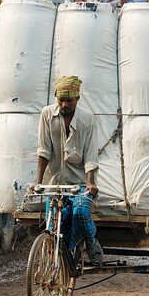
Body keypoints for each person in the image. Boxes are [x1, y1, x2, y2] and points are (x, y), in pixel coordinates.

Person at [34, 75, 104, 265]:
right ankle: (53, 258)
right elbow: (43, 150)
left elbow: (91, 155)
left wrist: (90, 182)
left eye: (69, 101)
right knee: (53, 223)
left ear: (78, 99)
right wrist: (38, 181)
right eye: (61, 100)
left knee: (80, 211)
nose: (64, 104)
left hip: (79, 184)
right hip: (55, 183)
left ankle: (90, 241)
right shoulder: (47, 115)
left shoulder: (87, 120)